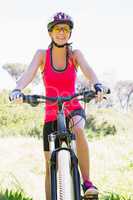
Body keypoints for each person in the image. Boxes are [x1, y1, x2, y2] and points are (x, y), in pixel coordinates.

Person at [10, 12, 104, 200]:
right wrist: (17, 89)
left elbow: (89, 71)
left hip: (73, 107)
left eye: (66, 29)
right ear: (50, 33)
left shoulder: (75, 55)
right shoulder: (42, 55)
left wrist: (97, 85)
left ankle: (87, 183)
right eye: (57, 29)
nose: (62, 32)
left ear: (70, 33)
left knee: (78, 128)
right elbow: (27, 75)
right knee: (49, 164)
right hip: (51, 113)